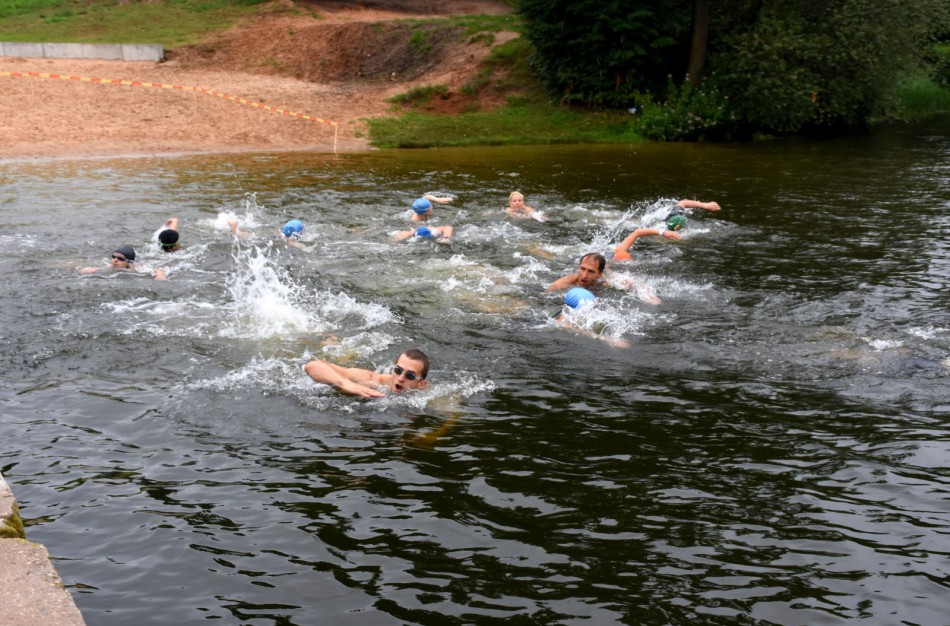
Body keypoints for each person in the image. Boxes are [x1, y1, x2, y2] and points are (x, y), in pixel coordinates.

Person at [304, 348, 431, 398]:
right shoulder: (373, 381)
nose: (401, 378)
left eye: (410, 375)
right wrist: (345, 383)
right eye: (398, 371)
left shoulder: (427, 395)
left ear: (421, 384)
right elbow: (312, 366)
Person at [546, 252, 660, 304]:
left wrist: (651, 298)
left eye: (591, 271)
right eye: (582, 269)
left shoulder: (607, 281)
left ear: (600, 274)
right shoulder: (565, 283)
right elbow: (544, 295)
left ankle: (611, 258)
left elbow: (639, 285)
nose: (584, 275)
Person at [555, 287, 629, 348]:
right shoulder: (563, 324)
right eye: (588, 309)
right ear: (574, 309)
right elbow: (577, 330)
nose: (592, 311)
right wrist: (607, 339)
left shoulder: (572, 316)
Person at [80, 244, 167, 280]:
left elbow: (155, 269)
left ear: (128, 262)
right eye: (114, 256)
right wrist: (94, 270)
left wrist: (159, 273)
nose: (115, 260)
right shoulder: (111, 265)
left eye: (120, 258)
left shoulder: (138, 269)